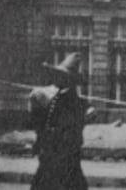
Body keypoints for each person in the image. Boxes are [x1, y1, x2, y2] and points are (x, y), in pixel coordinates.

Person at [29, 52, 90, 190]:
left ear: (70, 80)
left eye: (62, 76)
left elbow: (68, 130)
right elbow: (38, 123)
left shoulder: (74, 102)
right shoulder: (52, 97)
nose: (57, 78)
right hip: (50, 157)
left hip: (64, 158)